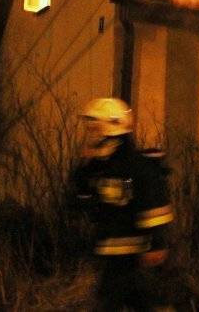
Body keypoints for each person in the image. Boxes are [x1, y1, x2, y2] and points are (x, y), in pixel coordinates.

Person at [72, 97, 174, 311]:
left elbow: (153, 206)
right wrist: (83, 170)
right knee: (139, 300)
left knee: (119, 299)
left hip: (134, 251)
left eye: (96, 127)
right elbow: (83, 200)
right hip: (112, 249)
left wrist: (157, 244)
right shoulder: (100, 166)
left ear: (113, 128)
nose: (92, 133)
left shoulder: (136, 167)